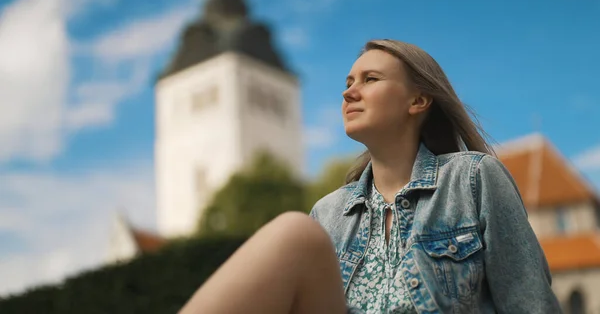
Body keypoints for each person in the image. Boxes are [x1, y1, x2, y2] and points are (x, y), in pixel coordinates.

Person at [179, 39, 562, 314]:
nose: (349, 93)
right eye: (348, 83)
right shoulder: (327, 214)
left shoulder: (474, 179)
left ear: (418, 101)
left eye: (370, 79)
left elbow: (531, 305)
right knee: (295, 233)